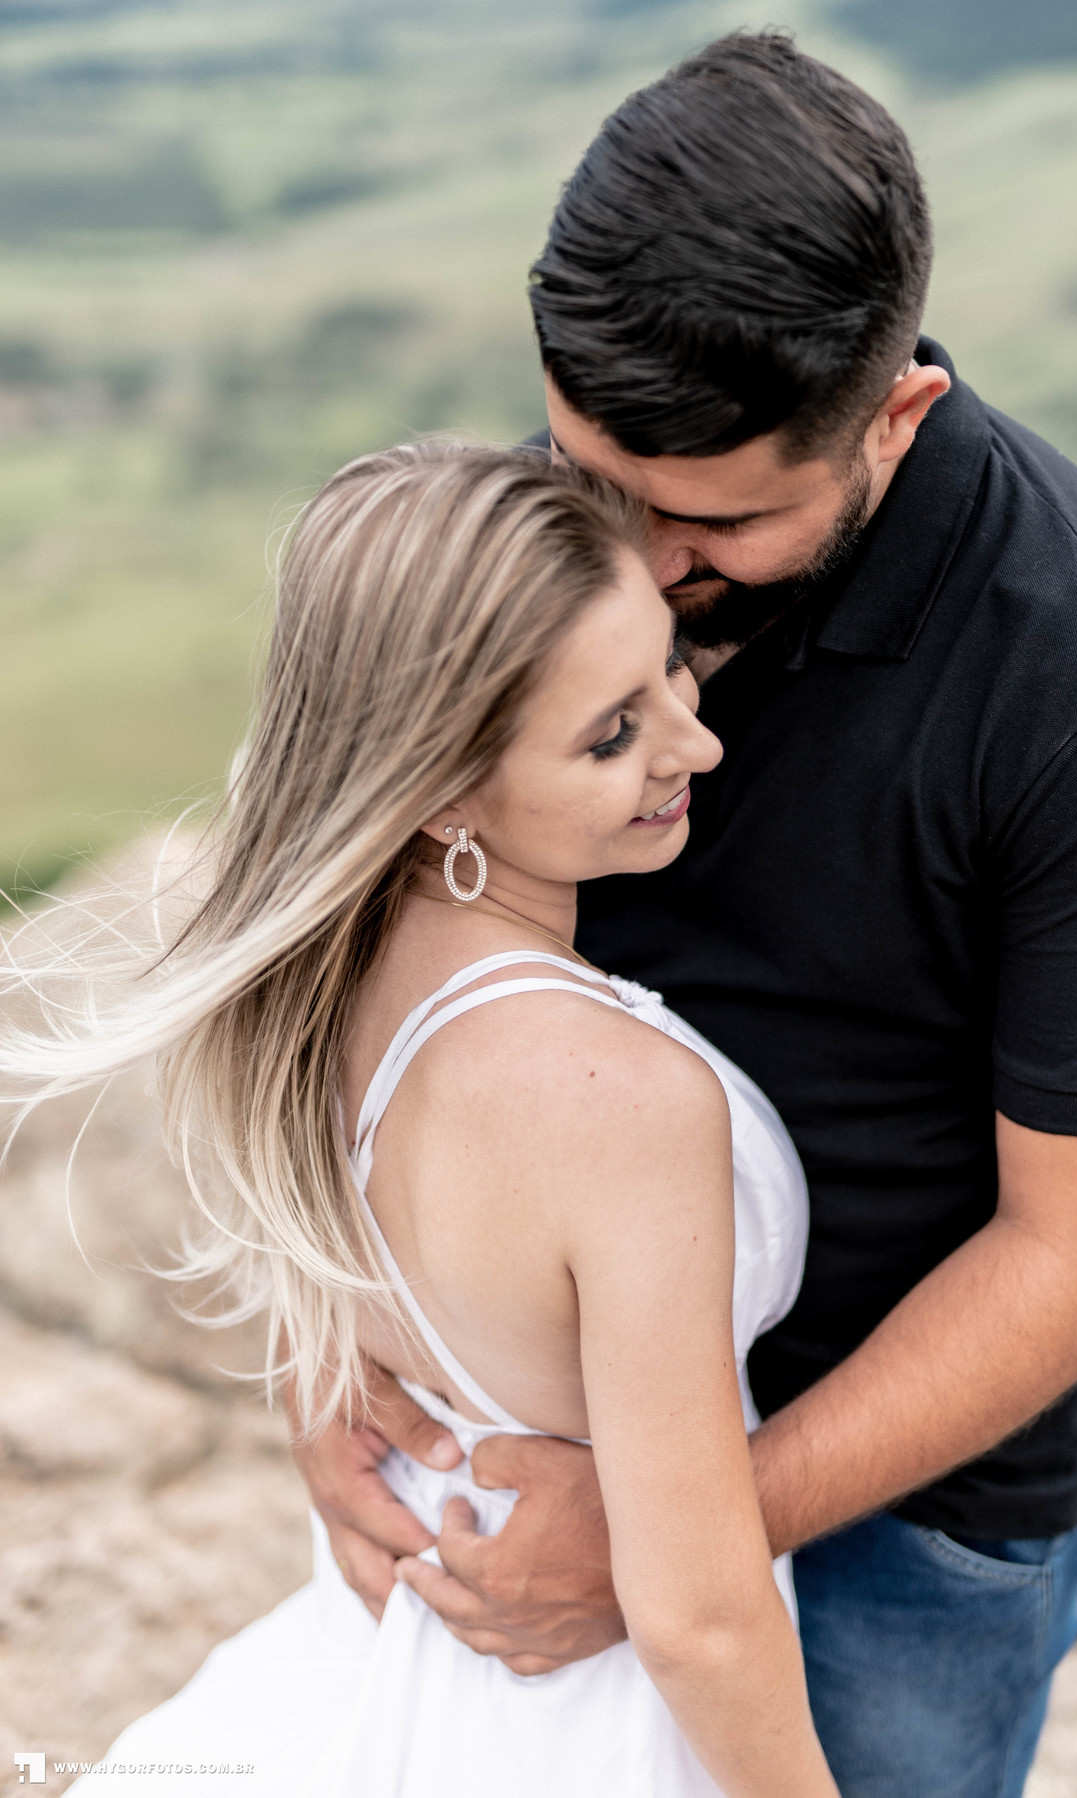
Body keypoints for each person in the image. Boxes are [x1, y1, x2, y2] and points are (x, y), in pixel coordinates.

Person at [296, 32, 1077, 1798]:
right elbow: (353, 925)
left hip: (902, 1519)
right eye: (597, 476)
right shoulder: (571, 518)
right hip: (537, 1435)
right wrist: (336, 1342)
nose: (635, 561)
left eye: (713, 520)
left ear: (895, 417)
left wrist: (672, 1530)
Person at [1, 444, 840, 1797]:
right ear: (440, 788)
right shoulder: (619, 1100)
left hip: (405, 1652)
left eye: (671, 666)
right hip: (580, 1723)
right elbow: (695, 1616)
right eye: (610, 733)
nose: (697, 742)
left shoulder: (314, 986)